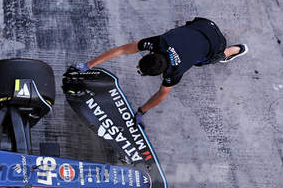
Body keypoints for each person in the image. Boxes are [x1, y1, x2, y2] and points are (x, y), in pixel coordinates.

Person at [76, 17, 246, 116]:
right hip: (204, 24)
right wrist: (89, 64)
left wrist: (141, 113)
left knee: (204, 61)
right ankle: (230, 48)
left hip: (217, 42)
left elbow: (161, 94)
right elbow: (121, 50)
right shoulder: (160, 42)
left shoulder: (175, 71)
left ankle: (236, 50)